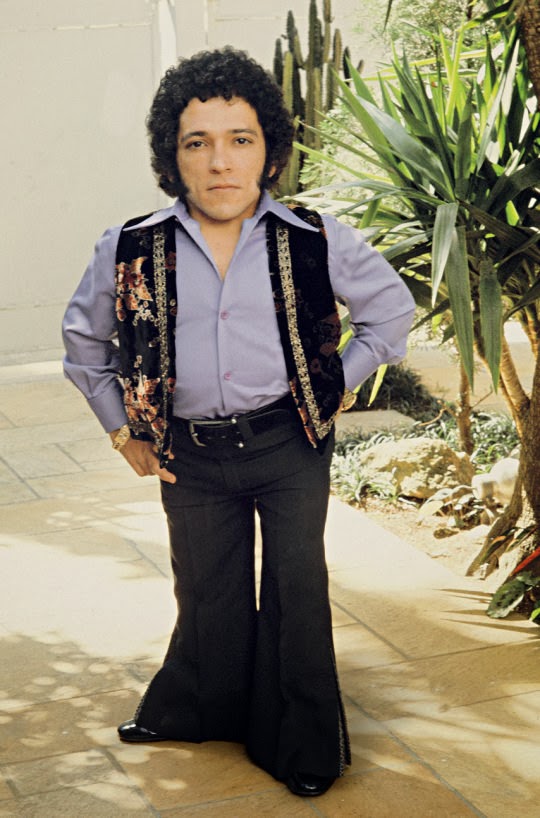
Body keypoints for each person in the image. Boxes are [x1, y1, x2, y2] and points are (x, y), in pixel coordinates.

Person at [62, 46, 415, 798]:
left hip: (289, 444)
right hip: (187, 452)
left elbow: (390, 313)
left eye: (240, 139)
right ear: (173, 157)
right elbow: (84, 345)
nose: (220, 161)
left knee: (296, 586)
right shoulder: (129, 246)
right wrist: (122, 431)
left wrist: (335, 384)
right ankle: (198, 707)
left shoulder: (316, 237)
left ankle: (303, 742)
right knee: (207, 588)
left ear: (270, 151)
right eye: (198, 142)